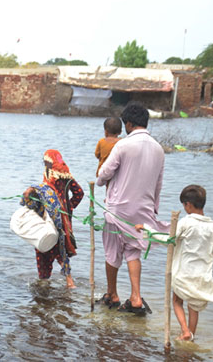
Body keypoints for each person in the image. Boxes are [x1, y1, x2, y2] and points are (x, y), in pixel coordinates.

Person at [96, 102, 168, 315]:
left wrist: (100, 181)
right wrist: (153, 207)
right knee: (133, 251)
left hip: (118, 208)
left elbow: (106, 172)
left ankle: (112, 294)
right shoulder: (158, 148)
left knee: (111, 251)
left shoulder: (123, 145)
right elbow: (159, 183)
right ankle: (136, 297)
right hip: (143, 209)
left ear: (128, 123)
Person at [135, 185, 213, 341]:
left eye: (184, 205)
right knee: (194, 306)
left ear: (188, 205)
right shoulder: (212, 226)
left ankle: (185, 330)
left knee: (177, 301)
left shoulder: (186, 222)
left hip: (184, 272)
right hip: (202, 273)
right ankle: (191, 336)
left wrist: (147, 229)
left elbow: (168, 239)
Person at [24, 150, 83, 288]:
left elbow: (45, 190)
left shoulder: (53, 176)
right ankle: (61, 281)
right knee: (58, 248)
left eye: (46, 161)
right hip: (61, 218)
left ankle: (54, 281)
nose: (45, 163)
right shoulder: (66, 175)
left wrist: (67, 208)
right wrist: (68, 209)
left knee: (47, 245)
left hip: (51, 218)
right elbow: (79, 193)